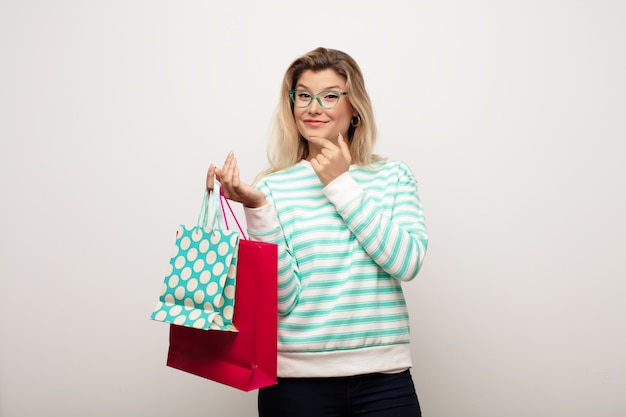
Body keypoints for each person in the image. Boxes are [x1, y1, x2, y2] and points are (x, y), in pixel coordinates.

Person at [206, 47, 428, 417]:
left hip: (384, 382)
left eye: (329, 96)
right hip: (296, 387)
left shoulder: (393, 176)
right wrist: (257, 208)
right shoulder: (274, 187)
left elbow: (406, 262)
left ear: (353, 107)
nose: (313, 107)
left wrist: (340, 183)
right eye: (304, 95)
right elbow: (282, 300)